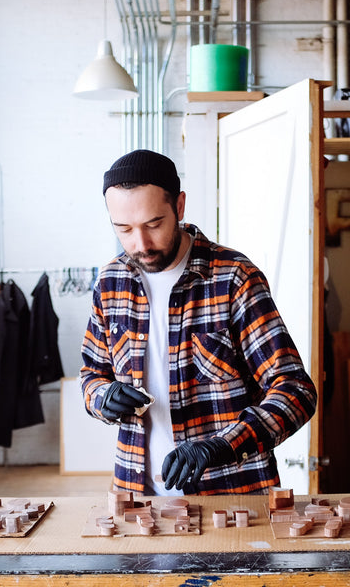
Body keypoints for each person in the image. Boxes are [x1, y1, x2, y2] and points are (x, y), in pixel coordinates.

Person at [80, 149, 316, 496]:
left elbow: (296, 391)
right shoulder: (110, 282)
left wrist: (221, 446)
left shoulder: (235, 279)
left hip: (231, 496)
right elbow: (91, 376)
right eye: (124, 229)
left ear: (179, 206)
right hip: (136, 499)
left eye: (153, 224)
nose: (140, 244)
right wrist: (103, 396)